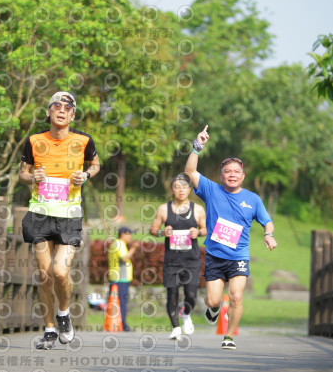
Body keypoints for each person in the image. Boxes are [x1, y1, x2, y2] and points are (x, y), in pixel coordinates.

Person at [19, 91, 100, 350]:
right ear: (49, 112)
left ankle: (63, 314)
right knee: (44, 275)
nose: (61, 110)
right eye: (56, 105)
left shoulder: (83, 140)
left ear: (73, 114)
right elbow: (22, 173)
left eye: (67, 107)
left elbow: (95, 165)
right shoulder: (34, 140)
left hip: (69, 215)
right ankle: (49, 329)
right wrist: (33, 177)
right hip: (41, 213)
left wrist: (85, 176)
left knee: (60, 271)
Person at [184, 125, 277, 350]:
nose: (232, 175)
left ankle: (229, 336)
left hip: (239, 256)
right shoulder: (211, 190)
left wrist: (268, 234)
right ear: (222, 175)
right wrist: (198, 146)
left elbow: (267, 221)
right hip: (216, 255)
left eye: (236, 172)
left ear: (243, 176)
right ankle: (213, 311)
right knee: (213, 300)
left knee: (236, 297)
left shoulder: (253, 199)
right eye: (228, 171)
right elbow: (190, 173)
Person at [150, 173, 207, 340]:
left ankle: (186, 314)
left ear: (189, 190)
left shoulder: (197, 209)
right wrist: (162, 231)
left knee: (191, 295)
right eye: (177, 187)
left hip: (191, 260)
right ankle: (175, 327)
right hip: (172, 260)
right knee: (172, 293)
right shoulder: (163, 209)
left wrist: (199, 232)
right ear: (171, 189)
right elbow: (153, 229)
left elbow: (206, 229)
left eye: (184, 187)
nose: (180, 190)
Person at [106, 226, 139, 331]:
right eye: (129, 234)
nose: (131, 236)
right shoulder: (119, 244)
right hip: (120, 278)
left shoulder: (118, 244)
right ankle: (123, 325)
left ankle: (118, 324)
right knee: (121, 302)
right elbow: (125, 258)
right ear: (123, 234)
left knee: (117, 302)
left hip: (119, 277)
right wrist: (134, 248)